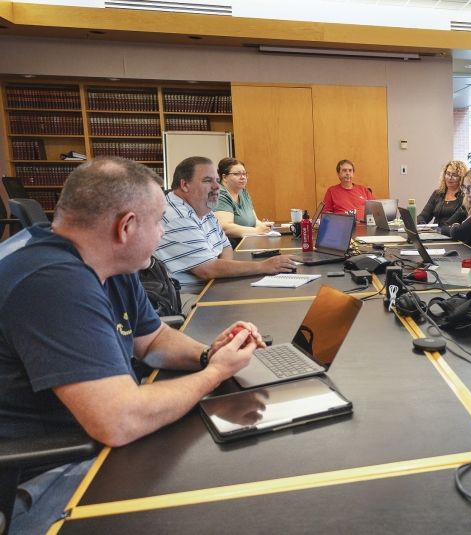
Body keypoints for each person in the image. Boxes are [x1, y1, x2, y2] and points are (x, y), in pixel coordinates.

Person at [0, 157, 262, 532]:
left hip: (98, 445)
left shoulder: (109, 262)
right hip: (47, 473)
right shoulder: (52, 282)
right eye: (158, 222)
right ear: (126, 227)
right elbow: (119, 421)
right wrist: (216, 373)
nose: (162, 233)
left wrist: (207, 355)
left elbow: (152, 339)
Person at [155, 156, 295, 300]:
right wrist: (264, 266)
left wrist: (221, 272)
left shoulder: (204, 209)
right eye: (208, 180)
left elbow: (226, 247)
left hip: (212, 285)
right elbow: (207, 269)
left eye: (216, 180)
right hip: (188, 295)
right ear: (185, 185)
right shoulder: (177, 217)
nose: (217, 186)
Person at [213, 157, 273, 243]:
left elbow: (254, 221)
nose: (243, 177)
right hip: (230, 247)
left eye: (244, 174)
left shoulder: (243, 192)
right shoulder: (219, 195)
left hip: (249, 243)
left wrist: (264, 227)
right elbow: (225, 228)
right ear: (224, 177)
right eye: (237, 174)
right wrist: (257, 231)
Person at [417, 160, 467, 226]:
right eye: (448, 174)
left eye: (454, 175)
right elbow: (424, 215)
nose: (450, 178)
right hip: (435, 231)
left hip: (452, 231)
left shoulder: (465, 196)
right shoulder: (438, 193)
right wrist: (421, 225)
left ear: (461, 178)